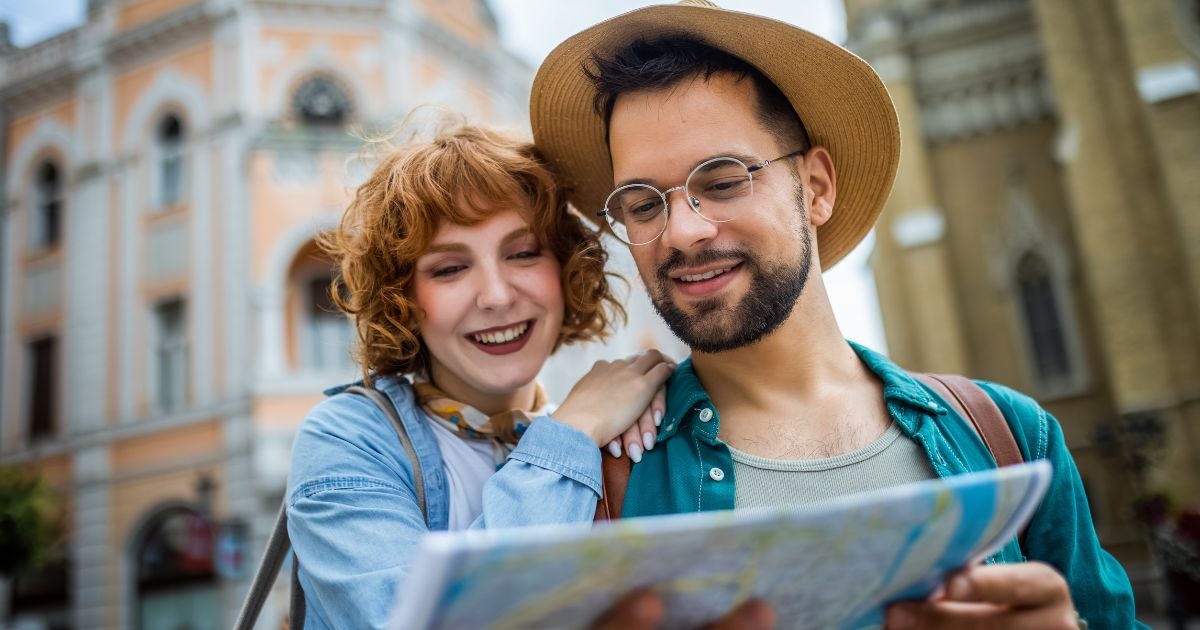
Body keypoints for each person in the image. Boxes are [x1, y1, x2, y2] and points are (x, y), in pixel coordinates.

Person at [529, 2, 1143, 628]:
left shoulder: (1008, 436)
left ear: (817, 187)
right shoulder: (598, 482)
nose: (682, 231)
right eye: (642, 203)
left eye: (721, 180)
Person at [285, 121, 675, 628]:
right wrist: (571, 434)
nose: (496, 295)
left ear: (565, 267)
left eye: (523, 253)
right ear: (402, 298)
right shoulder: (348, 439)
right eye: (449, 269)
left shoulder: (610, 433)